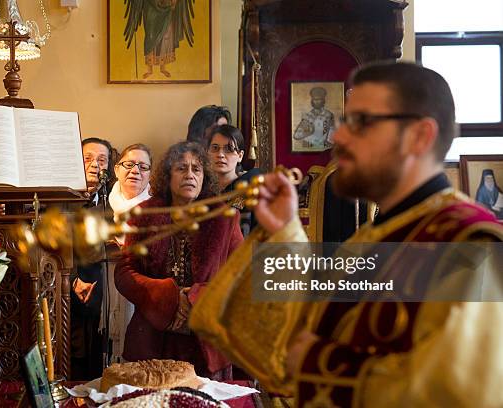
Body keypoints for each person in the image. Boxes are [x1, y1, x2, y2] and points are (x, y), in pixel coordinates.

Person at [190, 61, 503, 407]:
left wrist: (315, 364)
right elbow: (307, 326)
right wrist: (284, 232)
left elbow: (460, 395)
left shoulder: (471, 245)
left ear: (419, 136)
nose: (338, 137)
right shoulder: (375, 237)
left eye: (359, 123)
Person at [115, 141, 243, 379]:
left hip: (207, 337)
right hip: (153, 335)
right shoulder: (142, 216)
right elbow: (124, 272)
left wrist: (194, 300)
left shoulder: (226, 217)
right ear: (167, 175)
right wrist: (169, 299)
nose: (190, 175)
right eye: (181, 168)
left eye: (197, 169)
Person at [70, 137, 114, 379]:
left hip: (103, 297)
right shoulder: (60, 202)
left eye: (102, 160)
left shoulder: (111, 203)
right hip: (68, 293)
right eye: (87, 158)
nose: (95, 165)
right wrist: (73, 281)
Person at [107, 143, 153, 363]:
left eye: (143, 166)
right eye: (129, 164)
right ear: (116, 169)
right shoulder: (98, 209)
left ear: (150, 174)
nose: (135, 170)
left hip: (142, 297)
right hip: (101, 302)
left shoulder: (157, 212)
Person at [206, 124, 261, 236]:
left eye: (229, 149)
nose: (220, 155)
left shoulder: (250, 190)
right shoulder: (202, 192)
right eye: (215, 148)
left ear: (240, 156)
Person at [124, 0, 196, 79]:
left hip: (167, 10)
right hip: (151, 10)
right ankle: (149, 69)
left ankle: (163, 68)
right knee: (150, 37)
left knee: (165, 36)